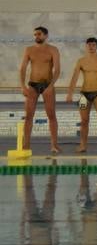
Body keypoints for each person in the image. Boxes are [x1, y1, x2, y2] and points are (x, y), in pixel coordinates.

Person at [66, 36, 97, 154]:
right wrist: (70, 93)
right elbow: (74, 77)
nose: (91, 47)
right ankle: (83, 145)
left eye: (93, 45)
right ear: (86, 46)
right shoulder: (81, 61)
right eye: (89, 45)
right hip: (84, 94)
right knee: (84, 121)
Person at [19, 26, 61, 154]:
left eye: (39, 34)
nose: (36, 36)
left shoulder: (53, 50)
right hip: (32, 86)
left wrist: (51, 86)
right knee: (28, 116)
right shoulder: (29, 50)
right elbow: (23, 68)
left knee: (51, 115)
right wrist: (22, 86)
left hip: (47, 84)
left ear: (46, 36)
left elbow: (57, 70)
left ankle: (54, 145)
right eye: (35, 34)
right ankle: (26, 145)